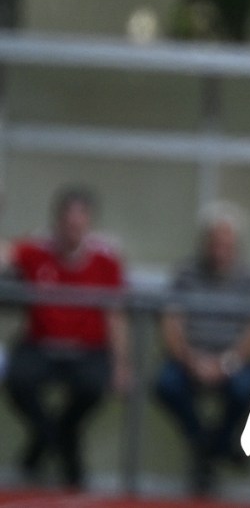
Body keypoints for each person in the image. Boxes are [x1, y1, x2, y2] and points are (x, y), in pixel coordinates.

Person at [4, 185, 132, 489]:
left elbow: (115, 316)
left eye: (80, 221)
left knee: (93, 386)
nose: (73, 228)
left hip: (88, 350)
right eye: (67, 221)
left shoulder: (106, 259)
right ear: (57, 221)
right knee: (17, 380)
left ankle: (47, 444)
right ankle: (60, 442)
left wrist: (121, 364)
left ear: (89, 223)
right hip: (40, 345)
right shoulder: (35, 250)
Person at [154, 201, 250, 495]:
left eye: (226, 244)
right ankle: (209, 444)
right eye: (215, 243)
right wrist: (191, 360)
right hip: (189, 359)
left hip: (233, 362)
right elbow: (171, 323)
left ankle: (209, 448)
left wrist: (226, 363)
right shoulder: (185, 274)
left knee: (247, 389)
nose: (220, 250)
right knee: (166, 385)